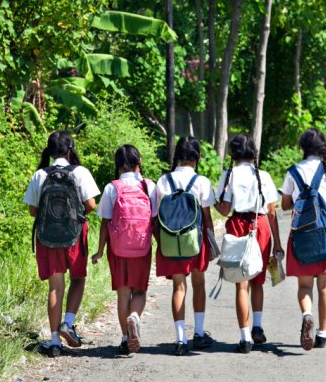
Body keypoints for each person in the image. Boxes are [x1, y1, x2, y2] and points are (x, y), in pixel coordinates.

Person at [23, 131, 100, 357]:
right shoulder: (80, 172)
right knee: (78, 279)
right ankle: (68, 322)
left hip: (47, 237)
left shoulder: (40, 175)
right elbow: (92, 205)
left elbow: (32, 211)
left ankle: (55, 341)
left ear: (49, 151)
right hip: (74, 236)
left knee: (55, 286)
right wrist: (75, 215)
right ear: (70, 150)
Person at [281, 128, 326, 351]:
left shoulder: (293, 172)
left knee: (304, 284)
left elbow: (284, 205)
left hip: (303, 228)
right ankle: (322, 333)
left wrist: (300, 199)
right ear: (323, 147)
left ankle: (307, 314)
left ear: (303, 147)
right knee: (325, 284)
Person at [214, 134, 283, 353]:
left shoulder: (229, 175)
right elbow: (271, 212)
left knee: (241, 283)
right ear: (254, 152)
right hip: (260, 226)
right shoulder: (263, 175)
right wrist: (278, 244)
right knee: (258, 280)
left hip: (237, 226)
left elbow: (225, 210)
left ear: (233, 153)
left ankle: (244, 339)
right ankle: (258, 327)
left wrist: (211, 202)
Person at [91, 145, 156, 356]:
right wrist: (161, 246)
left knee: (123, 293)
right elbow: (154, 220)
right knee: (140, 291)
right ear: (139, 161)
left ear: (118, 165)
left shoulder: (112, 187)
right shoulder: (148, 186)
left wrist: (99, 251)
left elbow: (104, 223)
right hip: (142, 247)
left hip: (117, 249)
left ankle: (126, 339)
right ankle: (135, 317)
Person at [155, 136, 217, 355]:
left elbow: (156, 216)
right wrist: (211, 241)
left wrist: (159, 241)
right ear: (198, 156)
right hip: (195, 240)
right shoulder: (202, 182)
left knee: (178, 287)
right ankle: (198, 333)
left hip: (171, 240)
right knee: (198, 284)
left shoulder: (164, 181)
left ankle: (180, 339)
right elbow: (208, 216)